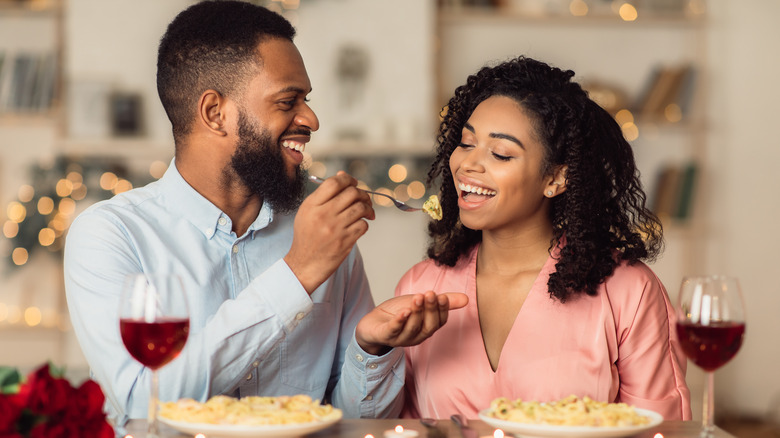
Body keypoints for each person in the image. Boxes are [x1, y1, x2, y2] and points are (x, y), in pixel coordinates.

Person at [64, 0, 465, 425]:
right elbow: (143, 402)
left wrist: (372, 350)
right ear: (215, 113)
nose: (310, 119)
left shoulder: (324, 229)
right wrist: (297, 273)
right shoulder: (110, 235)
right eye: (288, 101)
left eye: (306, 100)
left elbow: (351, 422)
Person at [395, 55, 692, 420]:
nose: (467, 164)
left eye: (501, 154)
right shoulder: (421, 285)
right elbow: (401, 423)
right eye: (466, 142)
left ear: (556, 179)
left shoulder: (629, 292)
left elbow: (659, 427)